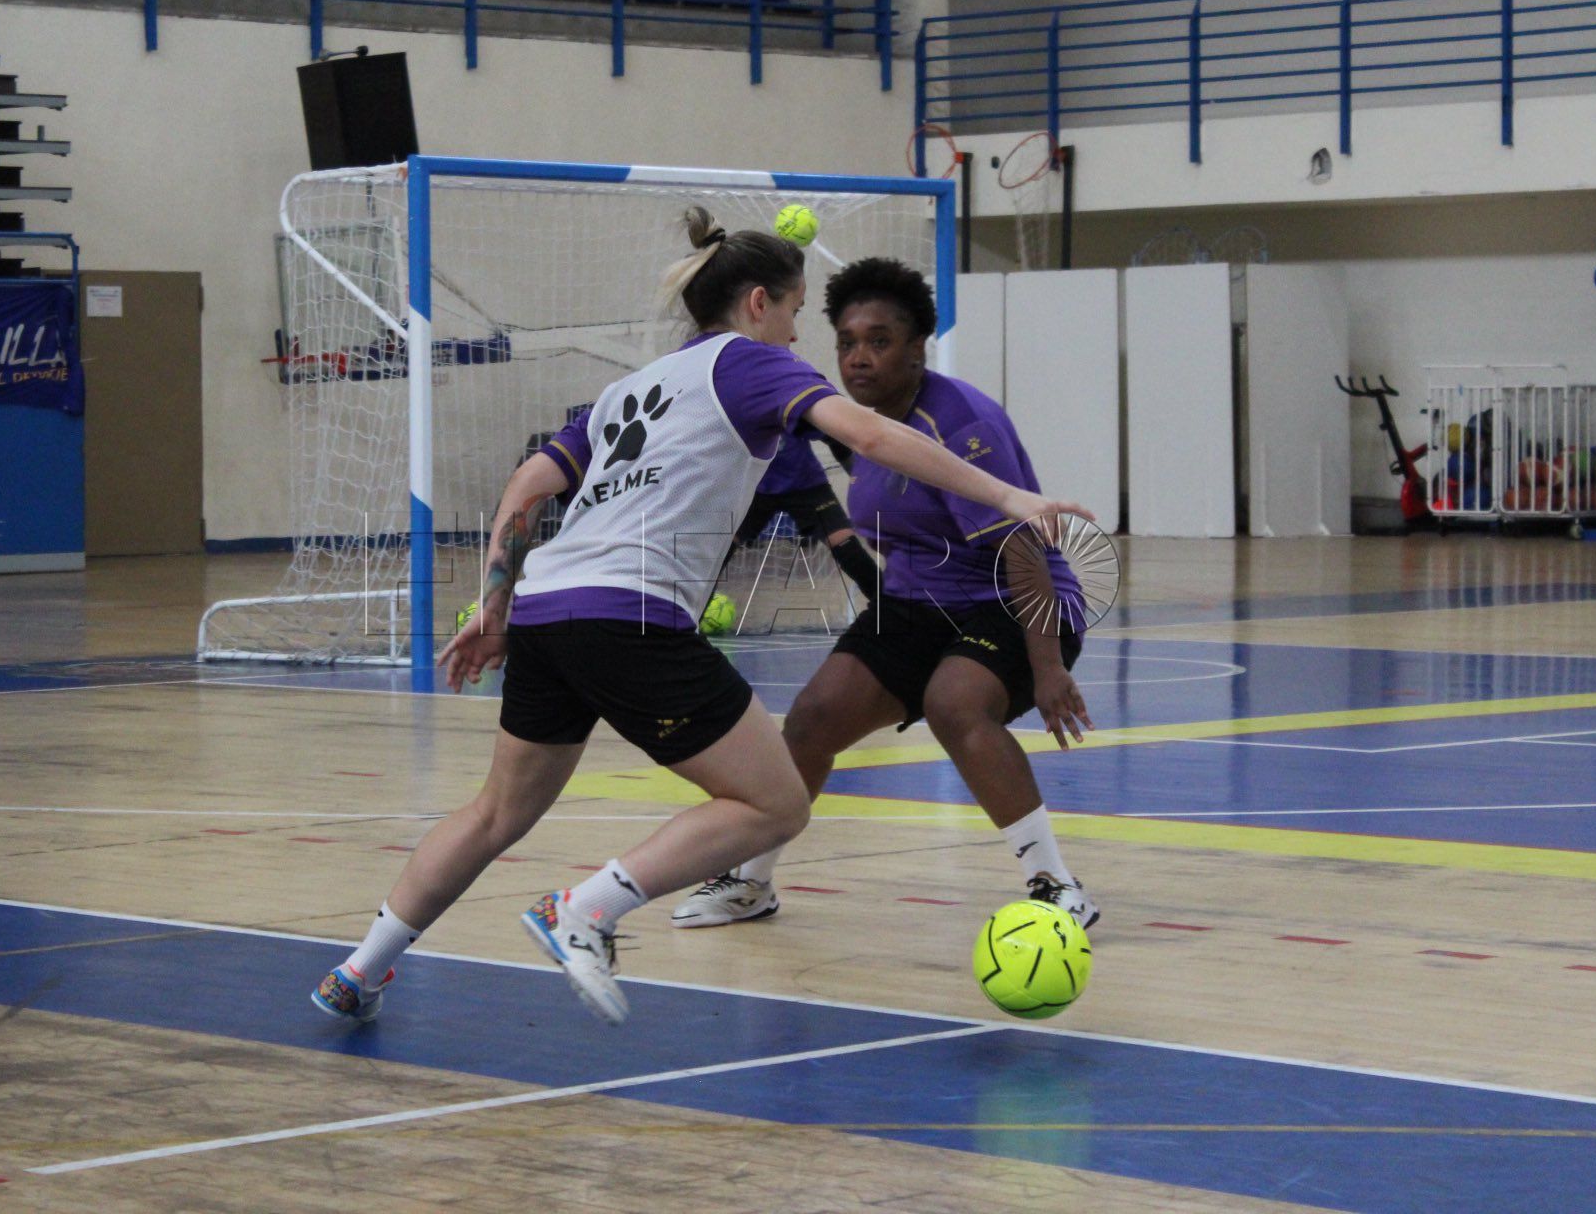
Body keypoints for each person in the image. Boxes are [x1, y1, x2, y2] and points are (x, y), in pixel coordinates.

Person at [312, 215, 1092, 1027]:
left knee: (495, 812)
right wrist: (1011, 495)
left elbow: (527, 486)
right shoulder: (752, 365)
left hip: (548, 608)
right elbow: (865, 432)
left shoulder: (628, 390)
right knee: (775, 805)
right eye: (794, 312)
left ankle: (358, 969)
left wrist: (498, 604)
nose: (798, 335)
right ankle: (584, 909)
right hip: (628, 615)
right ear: (758, 304)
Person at [670, 257, 1101, 935]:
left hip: (1015, 602)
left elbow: (1022, 547)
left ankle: (1054, 883)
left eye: (879, 341)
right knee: (812, 718)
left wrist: (1046, 669)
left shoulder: (960, 422)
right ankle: (752, 881)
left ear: (917, 347)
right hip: (915, 606)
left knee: (954, 704)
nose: (859, 358)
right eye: (846, 343)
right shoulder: (855, 424)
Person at [722, 432, 881, 604]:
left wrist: (860, 480)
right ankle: (690, 619)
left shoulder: (793, 408)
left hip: (807, 485)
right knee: (719, 549)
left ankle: (891, 609)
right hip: (754, 489)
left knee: (846, 545)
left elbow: (834, 438)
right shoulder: (733, 411)